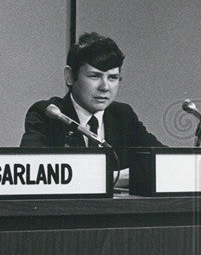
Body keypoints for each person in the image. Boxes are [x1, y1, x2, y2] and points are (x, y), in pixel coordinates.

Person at [20, 32, 163, 169]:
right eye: (94, 76)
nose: (105, 87)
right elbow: (35, 170)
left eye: (112, 78)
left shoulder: (123, 115)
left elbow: (164, 160)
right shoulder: (49, 114)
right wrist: (115, 178)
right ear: (69, 76)